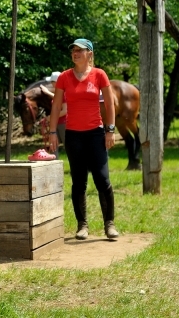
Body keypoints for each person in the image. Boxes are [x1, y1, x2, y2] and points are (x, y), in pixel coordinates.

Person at [47, 38, 119, 241]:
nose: (75, 53)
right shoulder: (64, 77)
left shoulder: (99, 75)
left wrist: (110, 130)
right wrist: (53, 132)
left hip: (96, 134)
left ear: (90, 54)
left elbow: (110, 105)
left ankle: (109, 224)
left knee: (102, 179)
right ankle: (82, 225)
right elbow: (56, 106)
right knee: (79, 182)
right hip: (73, 135)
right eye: (73, 51)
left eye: (80, 50)